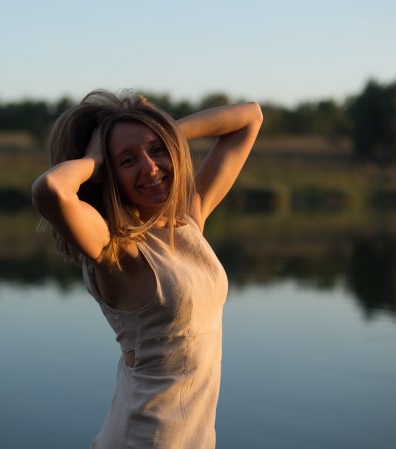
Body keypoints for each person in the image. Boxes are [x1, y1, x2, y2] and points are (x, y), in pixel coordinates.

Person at [31, 89, 262, 449]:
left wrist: (167, 133)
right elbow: (50, 190)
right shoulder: (115, 249)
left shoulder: (187, 219)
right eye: (127, 160)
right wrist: (94, 158)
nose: (150, 167)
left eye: (156, 151)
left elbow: (249, 117)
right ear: (108, 174)